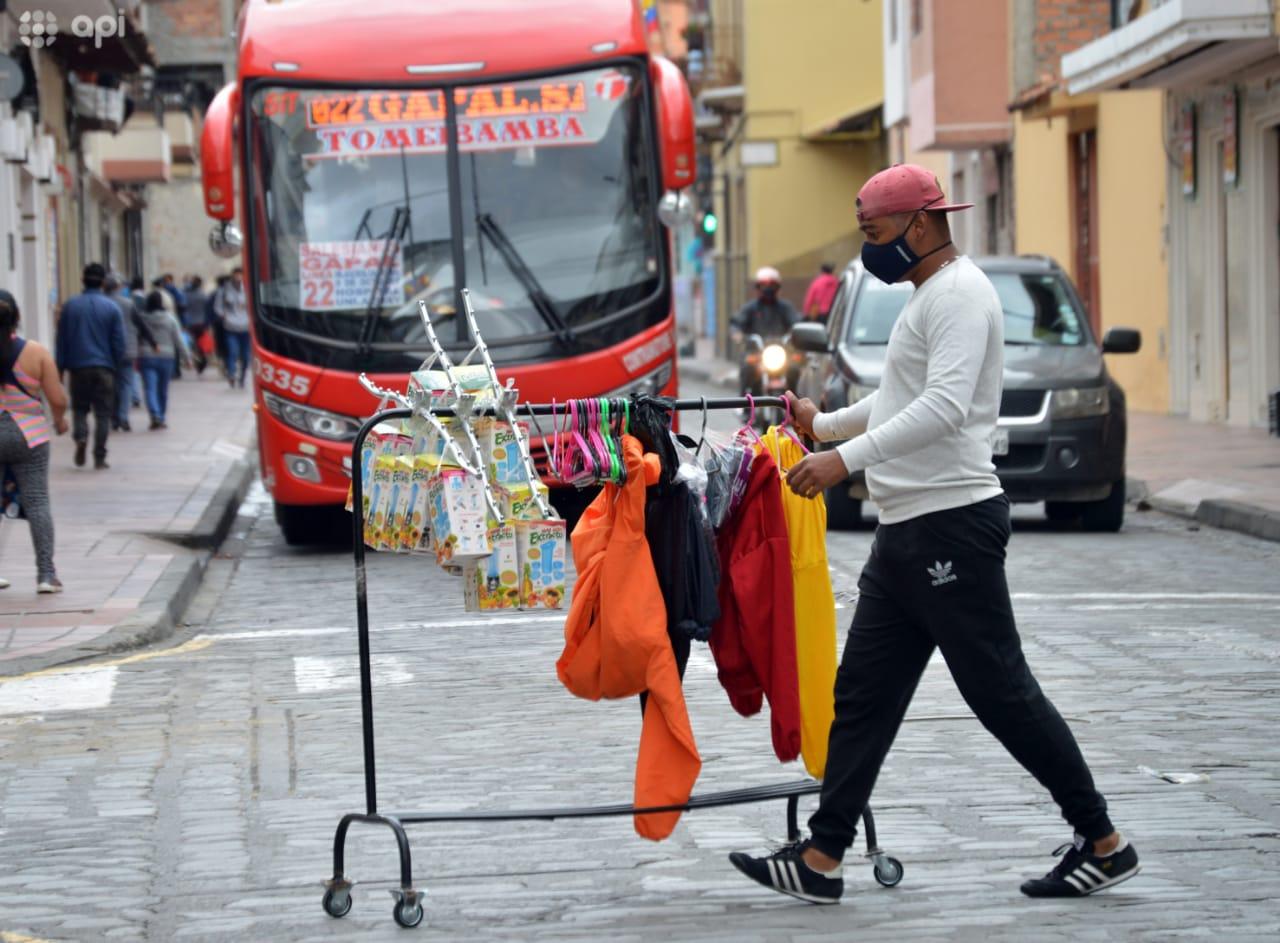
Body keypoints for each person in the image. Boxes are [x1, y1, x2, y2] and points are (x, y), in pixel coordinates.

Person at [729, 164, 1139, 904]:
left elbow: (945, 407)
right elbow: (899, 395)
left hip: (950, 521)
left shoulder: (959, 295)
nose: (870, 251)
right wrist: (822, 424)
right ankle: (823, 857)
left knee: (1001, 692)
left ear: (920, 224)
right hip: (907, 530)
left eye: (876, 233)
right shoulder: (930, 296)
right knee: (862, 693)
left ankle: (1102, 839)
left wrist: (839, 461)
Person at [0, 289, 68, 593]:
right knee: (37, 501)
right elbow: (57, 398)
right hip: (30, 435)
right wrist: (60, 419)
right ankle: (45, 574)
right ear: (17, 317)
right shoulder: (35, 352)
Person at [55, 262, 125, 470]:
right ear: (103, 282)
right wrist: (115, 365)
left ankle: (81, 437)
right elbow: (118, 342)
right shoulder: (112, 308)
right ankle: (100, 456)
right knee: (103, 414)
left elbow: (62, 340)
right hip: (104, 367)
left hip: (78, 368)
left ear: (82, 280)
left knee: (79, 409)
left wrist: (60, 368)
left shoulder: (70, 306)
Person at [730, 266, 799, 397]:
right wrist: (737, 334)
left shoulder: (785, 307)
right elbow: (737, 324)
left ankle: (795, 407)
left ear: (778, 288)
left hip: (782, 353)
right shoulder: (750, 307)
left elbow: (796, 323)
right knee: (747, 369)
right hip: (757, 353)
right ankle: (745, 406)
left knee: (795, 369)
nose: (768, 289)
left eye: (772, 285)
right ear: (758, 288)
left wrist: (796, 334)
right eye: (764, 285)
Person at [105, 272, 159, 432]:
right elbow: (141, 324)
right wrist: (153, 342)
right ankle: (122, 417)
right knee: (126, 384)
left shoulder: (103, 303)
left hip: (108, 352)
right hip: (129, 349)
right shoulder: (128, 303)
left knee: (112, 385)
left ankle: (115, 418)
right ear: (118, 287)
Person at [137, 290, 191, 430]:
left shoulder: (142, 318)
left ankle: (154, 414)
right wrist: (187, 358)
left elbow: (137, 336)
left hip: (147, 355)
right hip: (167, 357)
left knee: (150, 388)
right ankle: (161, 416)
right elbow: (178, 339)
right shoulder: (170, 318)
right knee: (163, 389)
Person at [215, 267, 251, 388]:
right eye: (236, 275)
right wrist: (223, 315)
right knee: (233, 352)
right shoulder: (224, 289)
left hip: (245, 326)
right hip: (230, 326)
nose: (238, 277)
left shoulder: (248, 288)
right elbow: (218, 307)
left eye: (240, 275)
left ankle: (242, 376)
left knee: (246, 356)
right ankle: (231, 373)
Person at [182, 275, 210, 374]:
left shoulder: (185, 294)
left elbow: (183, 307)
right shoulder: (203, 295)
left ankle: (195, 359)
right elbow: (207, 309)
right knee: (200, 343)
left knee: (191, 343)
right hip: (201, 323)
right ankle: (202, 359)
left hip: (189, 323)